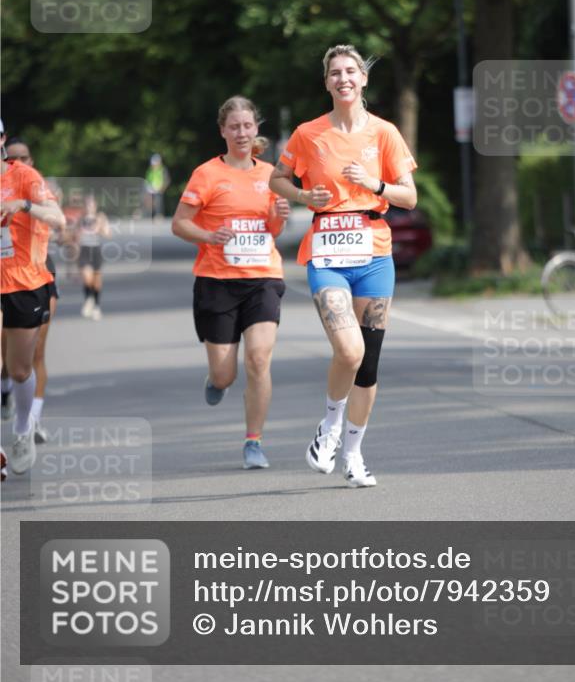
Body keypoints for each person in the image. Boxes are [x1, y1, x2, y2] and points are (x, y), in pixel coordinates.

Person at [269, 45, 417, 488]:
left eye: (351, 71)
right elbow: (277, 177)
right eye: (335, 73)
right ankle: (330, 426)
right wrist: (301, 197)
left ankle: (353, 454)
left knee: (367, 364)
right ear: (327, 82)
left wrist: (374, 183)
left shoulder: (385, 133)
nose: (343, 78)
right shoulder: (308, 134)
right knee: (348, 351)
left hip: (374, 253)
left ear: (363, 79)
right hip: (328, 253)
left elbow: (409, 196)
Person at [172, 97, 290, 470]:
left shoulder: (271, 174)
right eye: (234, 127)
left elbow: (274, 231)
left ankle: (253, 441)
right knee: (226, 373)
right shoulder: (207, 174)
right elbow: (180, 223)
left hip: (263, 279)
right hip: (217, 281)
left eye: (247, 126)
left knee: (258, 358)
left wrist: (278, 214)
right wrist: (209, 236)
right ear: (222, 131)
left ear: (256, 129)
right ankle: (217, 380)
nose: (241, 132)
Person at [0, 119, 66, 474]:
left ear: (2, 139)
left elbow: (58, 219)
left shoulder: (23, 176)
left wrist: (23, 205)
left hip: (23, 281)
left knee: (20, 369)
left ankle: (23, 429)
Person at [76, 194, 112, 320]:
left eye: (91, 204)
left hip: (95, 251)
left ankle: (96, 306)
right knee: (87, 278)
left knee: (96, 282)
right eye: (87, 205)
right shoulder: (80, 219)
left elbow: (108, 234)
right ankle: (89, 299)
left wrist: (100, 228)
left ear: (95, 206)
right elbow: (74, 237)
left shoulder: (100, 217)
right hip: (84, 250)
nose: (89, 207)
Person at [144, 153, 170, 219]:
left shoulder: (163, 170)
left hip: (159, 189)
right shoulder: (150, 170)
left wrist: (163, 187)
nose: (154, 165)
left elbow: (166, 179)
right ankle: (150, 215)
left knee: (159, 202)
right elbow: (148, 179)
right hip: (151, 189)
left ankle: (159, 215)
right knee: (150, 202)